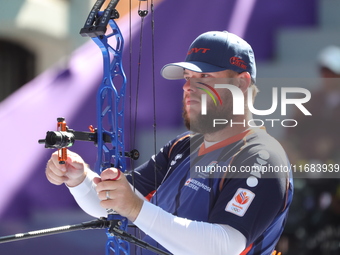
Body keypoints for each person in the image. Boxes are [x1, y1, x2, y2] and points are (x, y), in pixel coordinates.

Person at [46, 31, 293, 255]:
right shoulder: (183, 146)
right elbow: (111, 204)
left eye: (204, 76)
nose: (187, 86)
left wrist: (136, 209)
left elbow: (224, 247)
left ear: (241, 83)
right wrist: (78, 178)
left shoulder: (262, 158)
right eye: (187, 77)